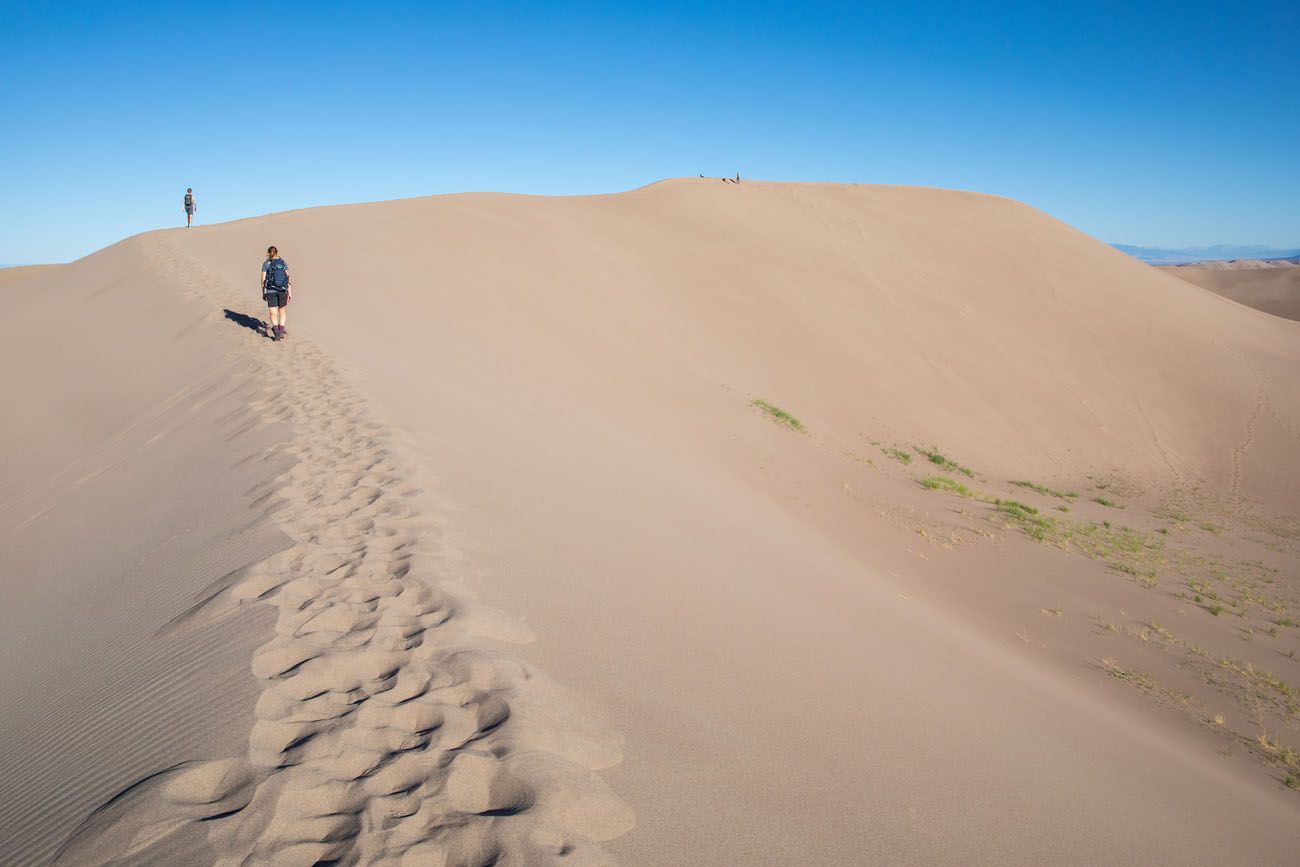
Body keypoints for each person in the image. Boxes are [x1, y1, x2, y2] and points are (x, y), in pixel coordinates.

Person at [260, 246, 292, 340]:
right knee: (282, 311)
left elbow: (262, 280)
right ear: (277, 252)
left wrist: (263, 292)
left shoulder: (266, 264)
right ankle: (281, 330)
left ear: (268, 253)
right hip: (283, 290)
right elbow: (288, 278)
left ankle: (276, 332)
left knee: (273, 313)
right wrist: (290, 292)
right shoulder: (282, 262)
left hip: (270, 290)